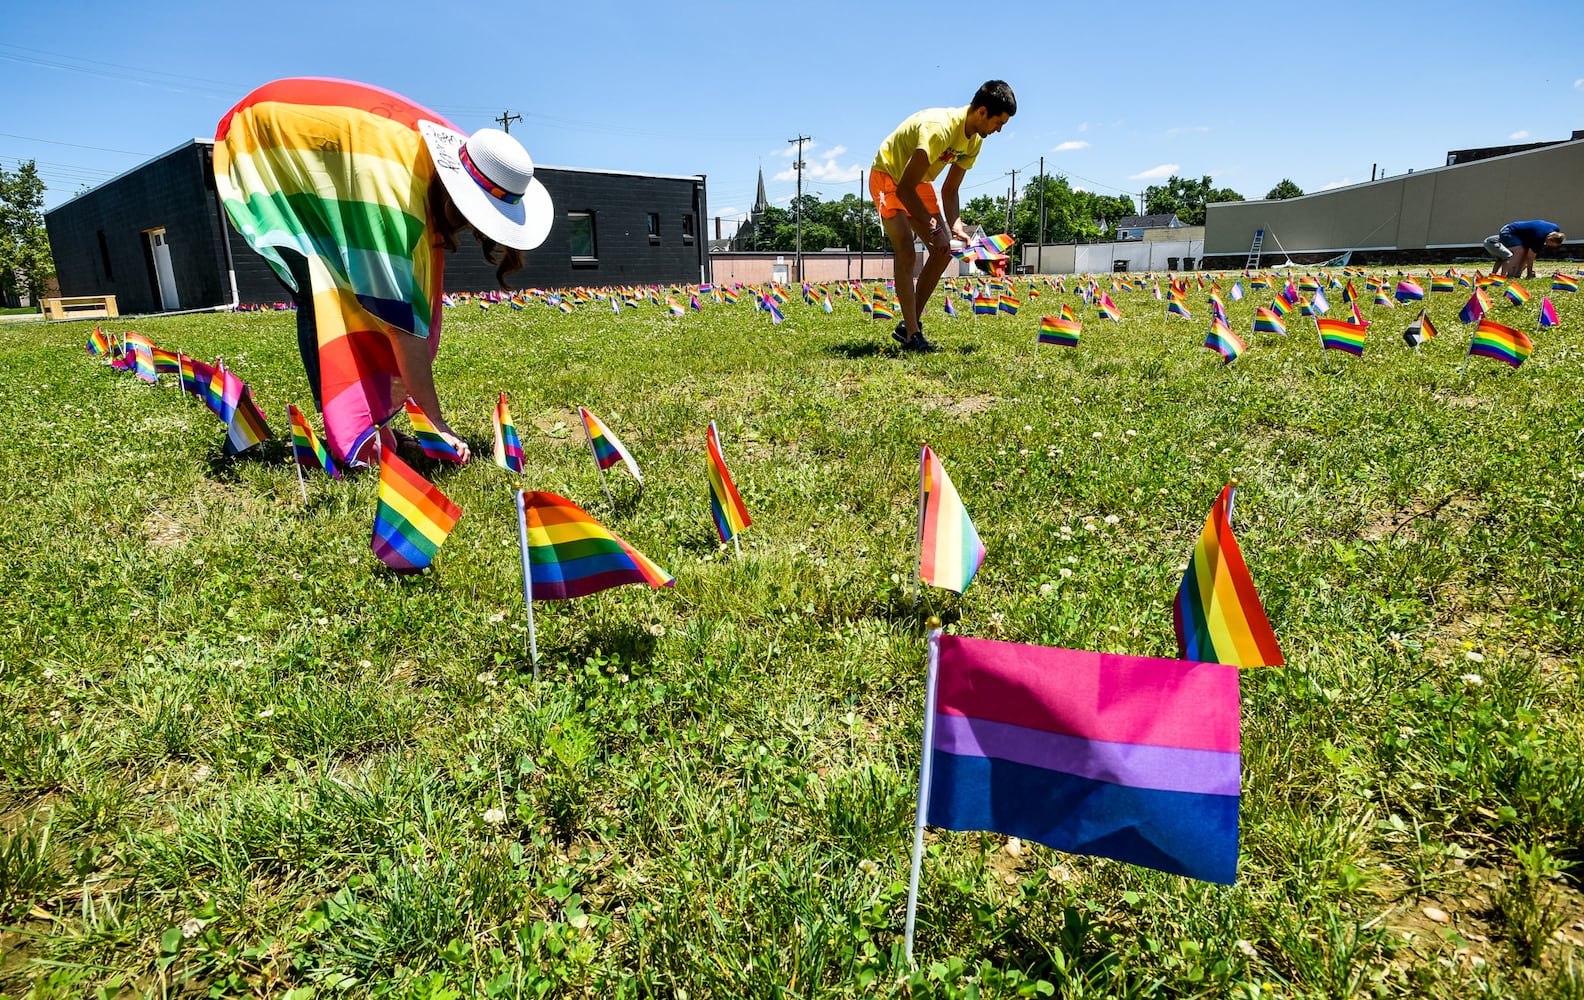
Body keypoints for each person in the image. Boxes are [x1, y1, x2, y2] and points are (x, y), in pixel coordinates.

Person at [213, 77, 553, 465]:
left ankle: (376, 423)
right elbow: (400, 323)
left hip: (336, 145)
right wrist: (437, 424)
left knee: (364, 294)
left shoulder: (478, 158)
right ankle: (352, 435)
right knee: (322, 293)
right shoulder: (394, 195)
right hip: (262, 142)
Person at [871, 80, 1016, 352]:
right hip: (888, 175)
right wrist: (932, 225)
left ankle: (907, 324)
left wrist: (956, 226)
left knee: (943, 248)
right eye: (999, 123)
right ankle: (913, 335)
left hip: (917, 180)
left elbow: (950, 190)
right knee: (906, 250)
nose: (999, 130)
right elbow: (903, 189)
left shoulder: (973, 142)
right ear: (982, 112)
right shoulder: (941, 129)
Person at [1483, 220, 1565, 280]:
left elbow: (1528, 255)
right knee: (1520, 251)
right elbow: (1530, 258)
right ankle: (1510, 275)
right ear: (1550, 239)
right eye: (1549, 244)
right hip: (1509, 231)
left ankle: (1517, 275)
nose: (1547, 245)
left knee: (1524, 252)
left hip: (1521, 236)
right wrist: (1529, 274)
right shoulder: (1539, 237)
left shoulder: (1555, 229)